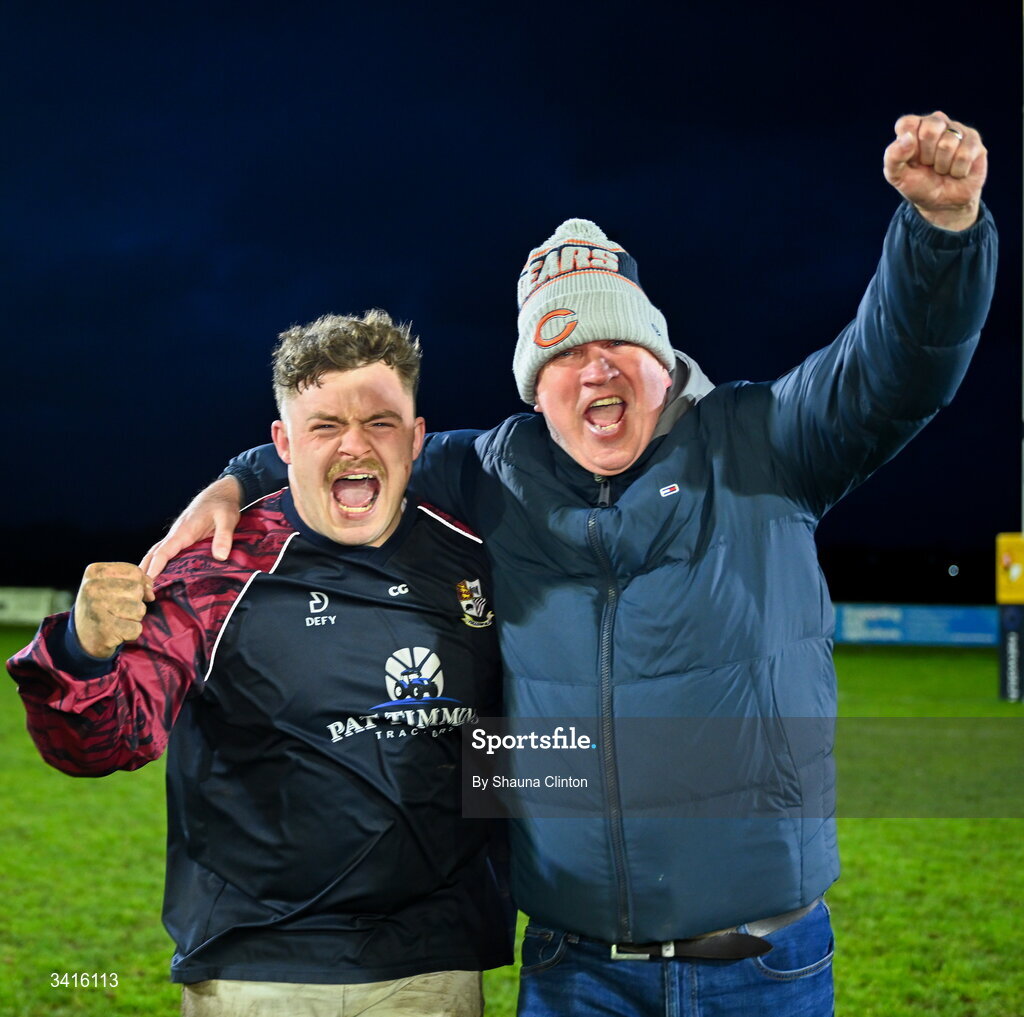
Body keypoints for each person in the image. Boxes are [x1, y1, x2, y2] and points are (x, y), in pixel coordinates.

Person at [140, 113, 997, 1016]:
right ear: (534, 385)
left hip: (760, 964)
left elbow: (892, 371)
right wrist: (239, 476)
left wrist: (939, 235)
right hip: (574, 968)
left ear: (661, 360)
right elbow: (355, 450)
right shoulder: (493, 469)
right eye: (564, 354)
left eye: (617, 345)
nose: (594, 372)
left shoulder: (765, 441)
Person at [8, 311, 512, 1017]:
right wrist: (81, 650)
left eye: (380, 422)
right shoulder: (217, 567)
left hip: (429, 967)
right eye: (325, 425)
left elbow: (507, 745)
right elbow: (98, 744)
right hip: (256, 970)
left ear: (418, 437)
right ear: (282, 442)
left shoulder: (474, 558)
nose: (354, 445)